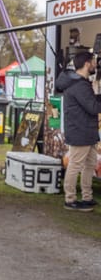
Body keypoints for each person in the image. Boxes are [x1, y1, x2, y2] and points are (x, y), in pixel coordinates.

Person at [54, 50, 101, 212]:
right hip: (80, 132)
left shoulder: (80, 83)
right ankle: (70, 199)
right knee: (75, 165)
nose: (96, 64)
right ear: (87, 64)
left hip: (87, 132)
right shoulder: (79, 85)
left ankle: (87, 196)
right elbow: (94, 108)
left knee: (90, 165)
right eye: (94, 62)